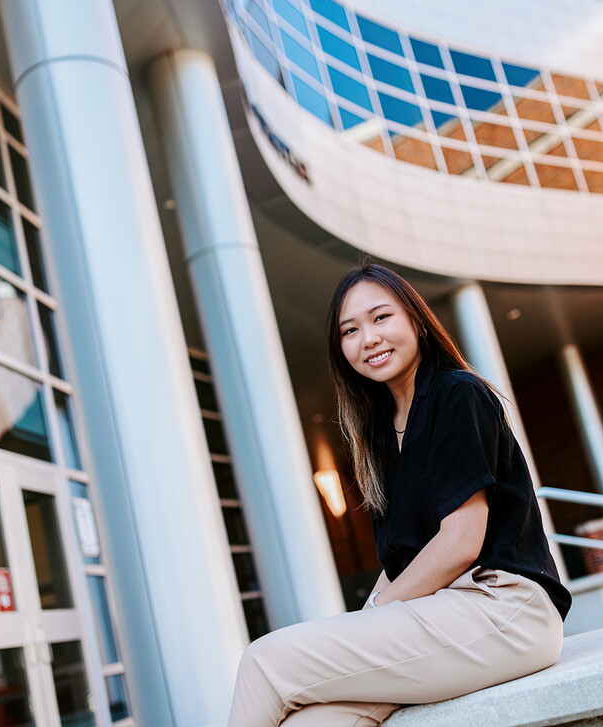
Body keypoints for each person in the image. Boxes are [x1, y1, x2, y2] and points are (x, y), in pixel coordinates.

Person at [227, 263, 572, 726]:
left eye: (381, 318)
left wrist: (369, 623)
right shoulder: (384, 433)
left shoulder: (457, 394)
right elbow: (401, 567)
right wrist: (368, 616)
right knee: (310, 721)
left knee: (265, 662)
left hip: (505, 611)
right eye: (350, 330)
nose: (368, 338)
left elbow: (461, 540)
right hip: (442, 619)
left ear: (416, 319)